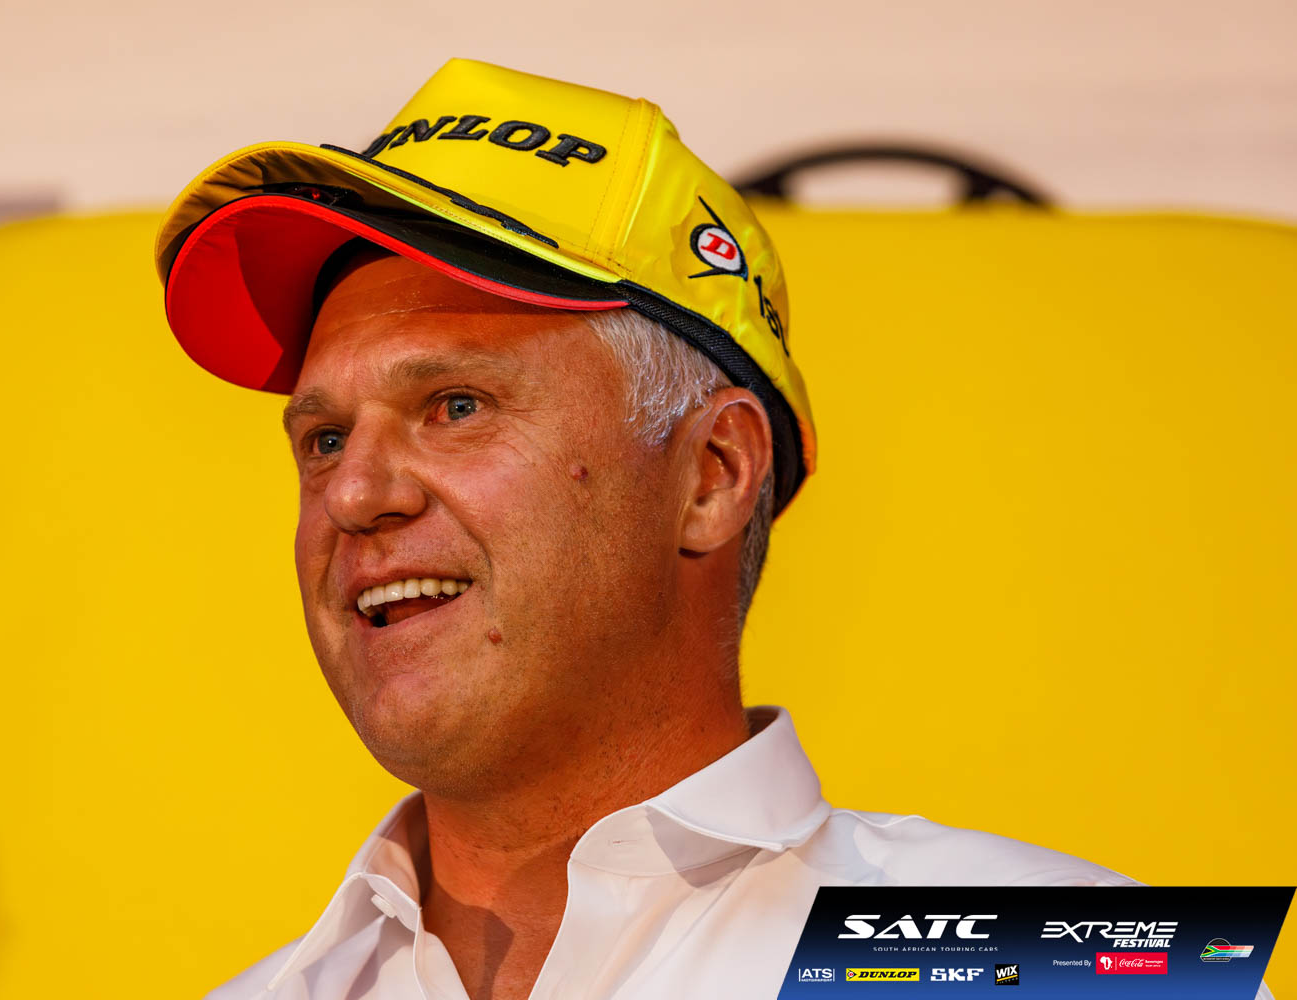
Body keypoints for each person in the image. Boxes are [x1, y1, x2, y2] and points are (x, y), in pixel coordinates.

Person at [154, 59, 1270, 1000]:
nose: (354, 495)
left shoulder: (1089, 971)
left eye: (455, 406)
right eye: (324, 439)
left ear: (712, 477)